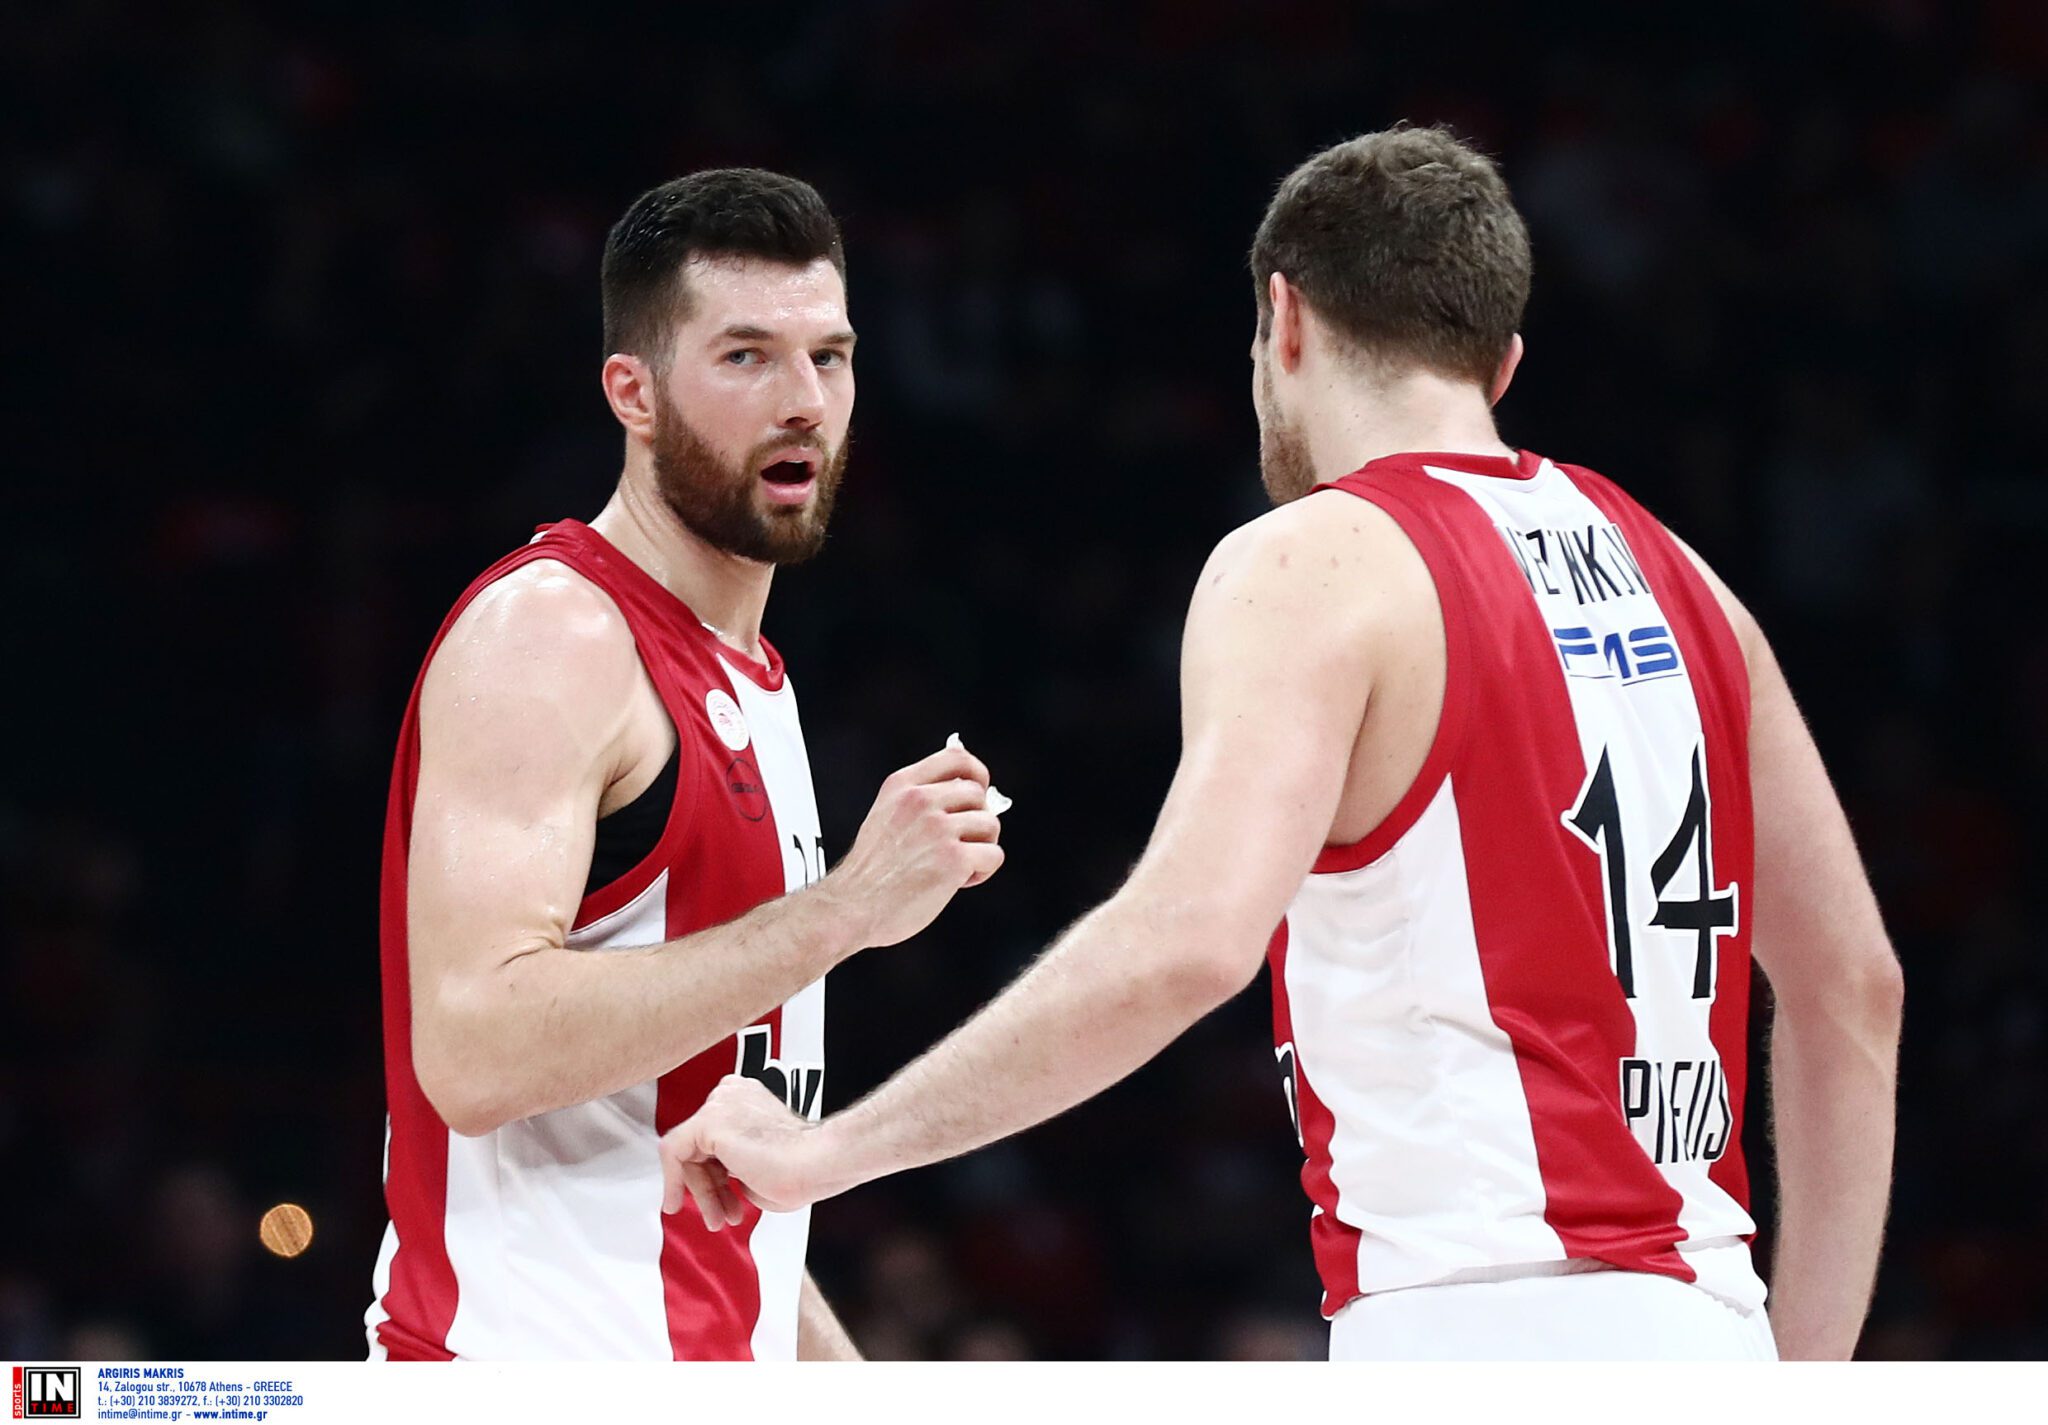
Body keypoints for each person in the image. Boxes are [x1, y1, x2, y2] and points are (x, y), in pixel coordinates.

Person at [658, 128, 1905, 1361]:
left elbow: (1184, 945)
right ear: (1501, 363)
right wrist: (1800, 1377)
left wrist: (825, 1153)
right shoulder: (1684, 580)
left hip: (1476, 1326)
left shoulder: (1315, 558)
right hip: (1711, 1329)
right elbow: (1854, 990)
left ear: (1283, 318)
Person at [363, 169, 1005, 1361]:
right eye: (746, 357)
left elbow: (707, 1206)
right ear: (634, 392)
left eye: (829, 357)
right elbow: (472, 1048)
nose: (804, 402)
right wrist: (847, 910)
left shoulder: (752, 674)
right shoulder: (553, 633)